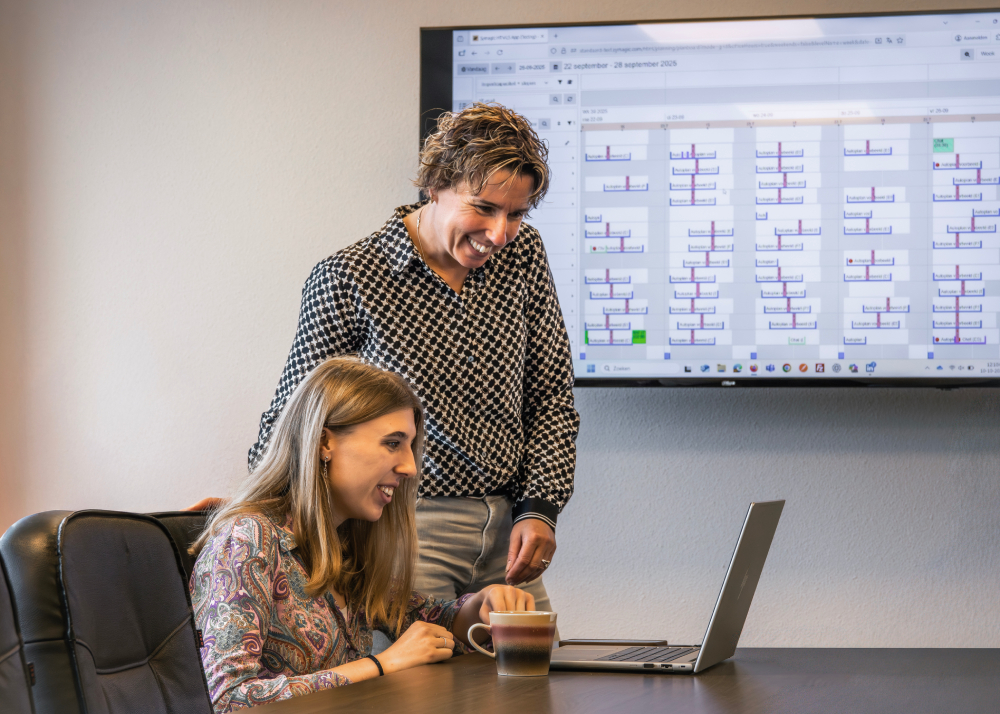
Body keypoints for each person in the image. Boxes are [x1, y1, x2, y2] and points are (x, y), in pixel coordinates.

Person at [237, 102, 580, 616]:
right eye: (484, 208)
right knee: (416, 689)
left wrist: (541, 510)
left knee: (534, 684)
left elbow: (551, 395)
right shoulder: (350, 277)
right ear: (435, 184)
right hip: (404, 529)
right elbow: (295, 419)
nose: (500, 232)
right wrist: (251, 510)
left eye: (517, 213)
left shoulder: (524, 255)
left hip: (509, 529)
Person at [190, 358, 535, 712]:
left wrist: (480, 606)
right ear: (324, 442)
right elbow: (232, 700)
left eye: (410, 446)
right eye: (392, 443)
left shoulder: (347, 543)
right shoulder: (246, 539)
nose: (410, 467)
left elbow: (425, 619)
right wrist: (380, 665)